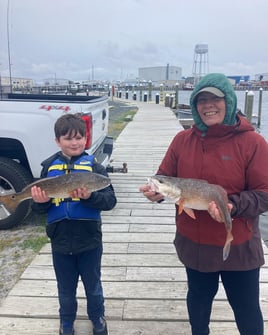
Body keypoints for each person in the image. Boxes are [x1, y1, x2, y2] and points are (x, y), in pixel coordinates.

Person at [139, 73, 268, 335]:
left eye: (215, 99)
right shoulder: (181, 141)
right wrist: (157, 194)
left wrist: (231, 205)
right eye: (201, 100)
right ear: (195, 106)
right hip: (195, 245)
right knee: (198, 305)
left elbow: (264, 193)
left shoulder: (253, 142)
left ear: (228, 101)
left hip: (239, 245)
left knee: (246, 310)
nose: (208, 105)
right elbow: (166, 178)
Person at [31, 113, 116, 335]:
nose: (75, 142)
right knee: (65, 289)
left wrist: (90, 197)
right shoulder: (49, 167)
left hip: (90, 241)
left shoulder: (95, 169)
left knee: (94, 287)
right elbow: (39, 208)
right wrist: (40, 202)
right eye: (68, 138)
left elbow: (110, 201)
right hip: (60, 241)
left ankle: (97, 316)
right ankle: (66, 321)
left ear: (86, 139)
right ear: (57, 141)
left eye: (79, 137)